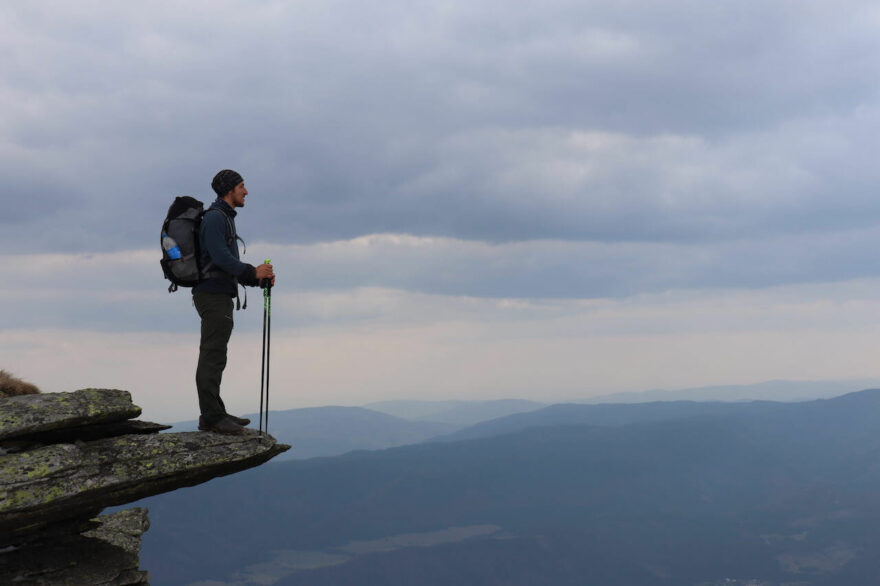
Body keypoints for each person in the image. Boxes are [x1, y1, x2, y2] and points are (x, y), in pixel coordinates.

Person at [193, 169, 275, 434]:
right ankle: (212, 417)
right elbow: (220, 258)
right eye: (242, 186)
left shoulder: (223, 217)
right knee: (212, 354)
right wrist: (253, 272)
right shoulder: (217, 218)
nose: (246, 191)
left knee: (217, 354)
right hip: (212, 295)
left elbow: (226, 265)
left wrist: (257, 280)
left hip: (218, 293)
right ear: (229, 189)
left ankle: (215, 412)